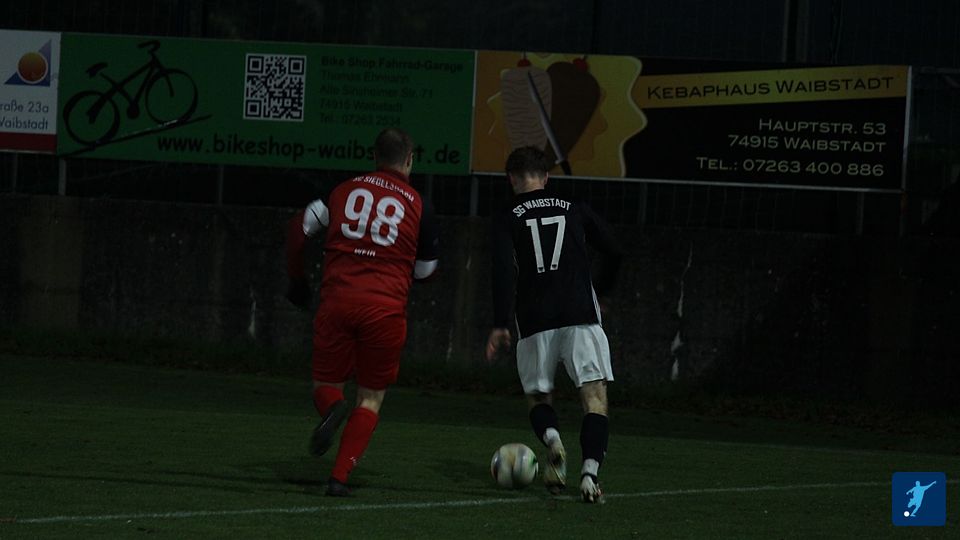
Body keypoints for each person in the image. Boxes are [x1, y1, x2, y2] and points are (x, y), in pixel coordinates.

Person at [286, 127, 439, 497]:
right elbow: (426, 271)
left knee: (325, 385)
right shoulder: (420, 204)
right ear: (410, 160)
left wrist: (297, 280)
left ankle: (333, 408)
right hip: (384, 310)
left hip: (338, 301)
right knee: (371, 397)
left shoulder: (342, 190)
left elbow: (299, 228)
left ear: (374, 157)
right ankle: (338, 478)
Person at [485, 145, 622, 503]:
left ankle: (553, 440)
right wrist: (602, 291)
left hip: (534, 319)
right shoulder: (575, 207)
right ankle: (589, 476)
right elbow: (615, 250)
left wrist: (500, 323)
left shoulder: (506, 216)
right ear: (545, 177)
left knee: (538, 396)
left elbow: (502, 272)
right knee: (594, 398)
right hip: (580, 314)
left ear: (511, 179)